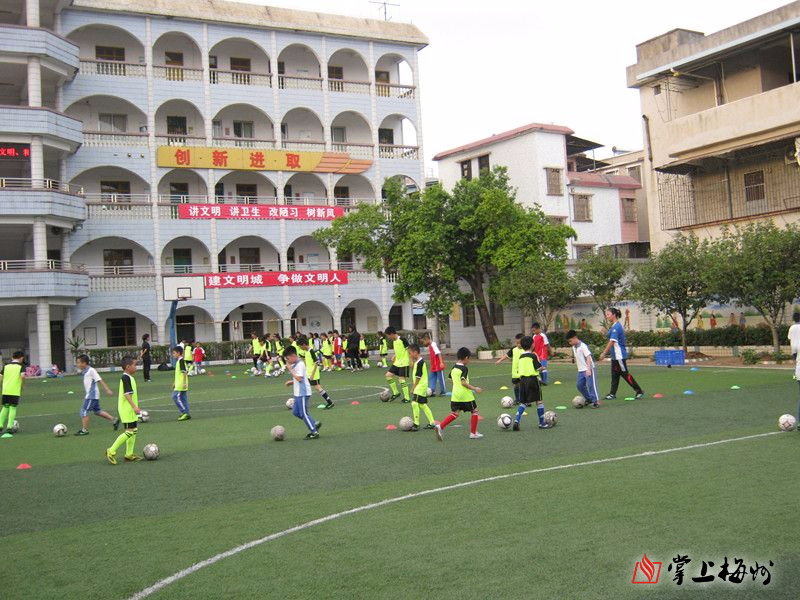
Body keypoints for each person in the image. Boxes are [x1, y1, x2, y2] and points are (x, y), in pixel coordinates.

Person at [435, 347, 483, 441]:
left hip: (455, 395)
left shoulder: (454, 367)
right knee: (475, 411)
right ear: (466, 357)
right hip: (465, 395)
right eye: (469, 358)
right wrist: (475, 388)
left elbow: (450, 379)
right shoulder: (464, 368)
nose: (469, 361)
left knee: (455, 413)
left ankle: (440, 426)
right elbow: (463, 383)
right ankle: (473, 433)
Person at [599, 307, 644, 400]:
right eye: (606, 315)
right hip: (615, 356)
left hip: (619, 356)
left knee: (625, 374)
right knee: (615, 375)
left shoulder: (616, 327)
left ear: (614, 315)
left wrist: (604, 353)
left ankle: (639, 391)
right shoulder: (614, 326)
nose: (607, 316)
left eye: (608, 314)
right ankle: (612, 394)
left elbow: (612, 341)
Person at [105, 356, 142, 464]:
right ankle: (111, 450)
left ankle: (129, 454)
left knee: (133, 430)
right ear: (127, 367)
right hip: (127, 409)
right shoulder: (125, 378)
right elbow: (127, 395)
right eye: (134, 365)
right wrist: (134, 407)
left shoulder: (129, 377)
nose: (136, 367)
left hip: (130, 409)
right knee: (129, 432)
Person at [74, 354, 118, 436]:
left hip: (92, 395)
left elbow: (99, 380)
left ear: (84, 363)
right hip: (92, 395)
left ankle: (85, 430)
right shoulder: (85, 371)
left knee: (84, 411)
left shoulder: (91, 370)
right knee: (97, 411)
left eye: (79, 363)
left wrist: (107, 389)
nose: (78, 365)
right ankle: (114, 420)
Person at [513, 336, 551, 430]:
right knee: (539, 401)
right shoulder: (533, 355)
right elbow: (538, 367)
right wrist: (543, 368)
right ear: (532, 345)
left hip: (522, 381)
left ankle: (516, 420)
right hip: (532, 380)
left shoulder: (521, 357)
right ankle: (541, 423)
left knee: (523, 402)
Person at [283, 346, 321, 439]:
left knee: (303, 413)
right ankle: (313, 423)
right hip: (298, 393)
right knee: (295, 412)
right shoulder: (296, 364)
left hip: (303, 392)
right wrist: (291, 382)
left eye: (288, 359)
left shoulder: (300, 364)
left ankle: (314, 432)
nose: (288, 361)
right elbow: (301, 378)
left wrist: (290, 369)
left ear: (292, 356)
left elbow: (299, 378)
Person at [298, 337, 334, 410]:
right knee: (305, 387)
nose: (300, 348)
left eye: (300, 346)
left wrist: (312, 374)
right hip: (308, 373)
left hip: (313, 374)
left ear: (304, 344)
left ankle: (330, 402)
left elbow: (317, 363)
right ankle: (302, 404)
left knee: (317, 387)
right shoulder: (306, 351)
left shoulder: (311, 351)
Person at [407, 344, 436, 431]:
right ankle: (432, 423)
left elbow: (418, 377)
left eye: (410, 353)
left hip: (420, 386)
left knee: (414, 403)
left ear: (415, 352)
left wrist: (413, 388)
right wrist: (411, 358)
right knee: (422, 405)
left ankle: (416, 424)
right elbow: (411, 366)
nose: (409, 355)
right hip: (421, 386)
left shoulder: (420, 362)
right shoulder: (417, 361)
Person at [566, 330, 598, 408]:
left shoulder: (583, 346)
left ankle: (595, 401)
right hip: (581, 370)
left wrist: (588, 369)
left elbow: (588, 357)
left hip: (589, 369)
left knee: (591, 385)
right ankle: (589, 398)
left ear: (575, 338)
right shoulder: (574, 347)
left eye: (570, 341)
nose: (569, 343)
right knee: (579, 385)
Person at [0, 351, 25, 438]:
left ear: (12, 357)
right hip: (14, 390)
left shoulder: (6, 366)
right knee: (13, 407)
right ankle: (9, 427)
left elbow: (1, 377)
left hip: (5, 390)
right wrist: (22, 386)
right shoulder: (21, 366)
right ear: (21, 357)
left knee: (5, 407)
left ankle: (0, 425)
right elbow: (22, 376)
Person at [384, 326, 410, 402]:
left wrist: (411, 360)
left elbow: (409, 350)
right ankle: (396, 392)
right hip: (397, 363)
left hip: (404, 363)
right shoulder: (394, 341)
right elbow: (400, 350)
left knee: (401, 380)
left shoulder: (402, 339)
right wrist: (394, 356)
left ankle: (407, 398)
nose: (388, 337)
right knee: (388, 376)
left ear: (391, 334)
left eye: (388, 335)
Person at [495, 333, 523, 403]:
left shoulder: (526, 349)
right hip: (515, 372)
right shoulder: (513, 349)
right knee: (516, 386)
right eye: (517, 343)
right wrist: (500, 360)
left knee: (524, 386)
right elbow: (507, 356)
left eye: (519, 343)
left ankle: (526, 401)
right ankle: (517, 399)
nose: (518, 344)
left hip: (523, 372)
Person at [171, 346, 191, 421]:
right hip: (179, 383)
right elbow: (178, 374)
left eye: (174, 353)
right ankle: (187, 414)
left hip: (181, 384)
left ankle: (184, 412)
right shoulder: (179, 361)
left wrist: (184, 383)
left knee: (175, 396)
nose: (173, 355)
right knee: (183, 398)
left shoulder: (181, 361)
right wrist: (174, 382)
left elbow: (184, 372)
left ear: (178, 353)